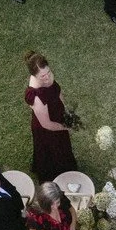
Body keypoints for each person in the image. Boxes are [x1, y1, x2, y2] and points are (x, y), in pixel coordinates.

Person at [23, 53, 79, 181]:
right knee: (52, 152)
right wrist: (65, 127)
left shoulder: (47, 77)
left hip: (58, 117)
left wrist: (65, 111)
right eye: (43, 76)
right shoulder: (36, 95)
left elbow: (57, 91)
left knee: (63, 147)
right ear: (34, 76)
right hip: (46, 130)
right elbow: (47, 124)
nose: (47, 77)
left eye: (48, 72)